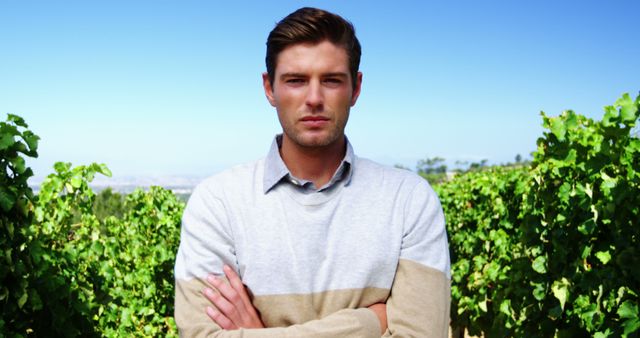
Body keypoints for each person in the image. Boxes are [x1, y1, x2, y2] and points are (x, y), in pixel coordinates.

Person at [174, 7, 451, 337]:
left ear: (356, 88)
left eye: (332, 80)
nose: (314, 98)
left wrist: (256, 332)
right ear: (269, 89)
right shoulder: (217, 202)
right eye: (296, 81)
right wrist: (370, 321)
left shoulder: (410, 201)